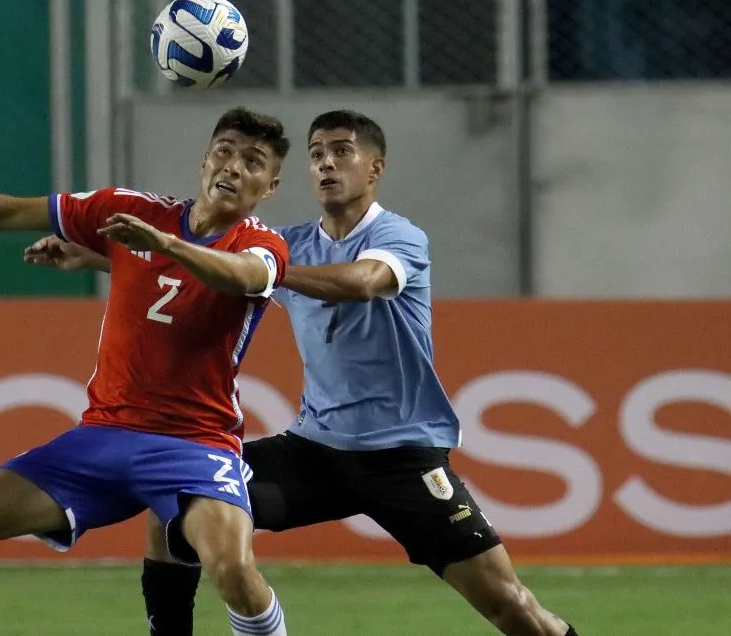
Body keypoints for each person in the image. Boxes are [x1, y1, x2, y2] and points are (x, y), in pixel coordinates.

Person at [38, 110, 580, 636]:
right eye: (317, 153)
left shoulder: (399, 236)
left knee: (511, 608)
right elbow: (207, 270)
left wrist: (266, 275)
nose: (326, 163)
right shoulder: (288, 244)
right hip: (314, 454)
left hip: (401, 459)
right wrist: (96, 257)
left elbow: (362, 283)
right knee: (176, 496)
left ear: (375, 168)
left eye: (342, 152)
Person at [0, 107, 294, 636]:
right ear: (204, 160)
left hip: (196, 445)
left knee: (233, 571)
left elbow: (242, 276)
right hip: (105, 434)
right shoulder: (132, 212)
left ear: (270, 186)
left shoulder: (262, 245)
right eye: (224, 151)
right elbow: (9, 212)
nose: (233, 167)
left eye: (253, 162)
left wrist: (167, 245)